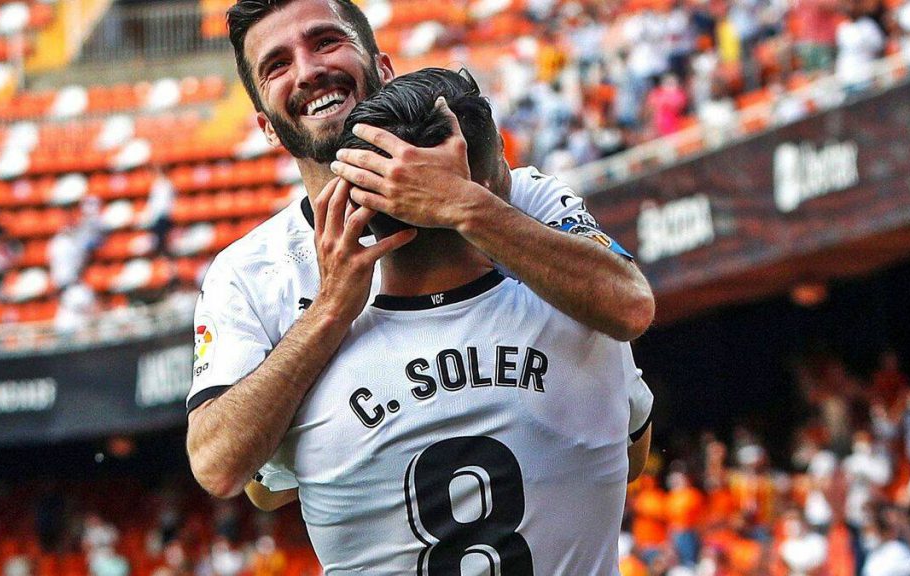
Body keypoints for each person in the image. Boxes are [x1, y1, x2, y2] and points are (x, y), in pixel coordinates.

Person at [186, 0, 655, 500]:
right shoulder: (248, 271)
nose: (308, 71)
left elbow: (631, 314)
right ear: (265, 126)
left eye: (326, 41)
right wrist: (329, 312)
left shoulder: (515, 194)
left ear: (384, 69)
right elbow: (228, 473)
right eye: (277, 65)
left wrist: (468, 208)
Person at [242, 67, 654, 574]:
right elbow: (633, 457)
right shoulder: (583, 323)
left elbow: (262, 490)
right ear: (481, 186)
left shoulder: (308, 384)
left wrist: (326, 310)